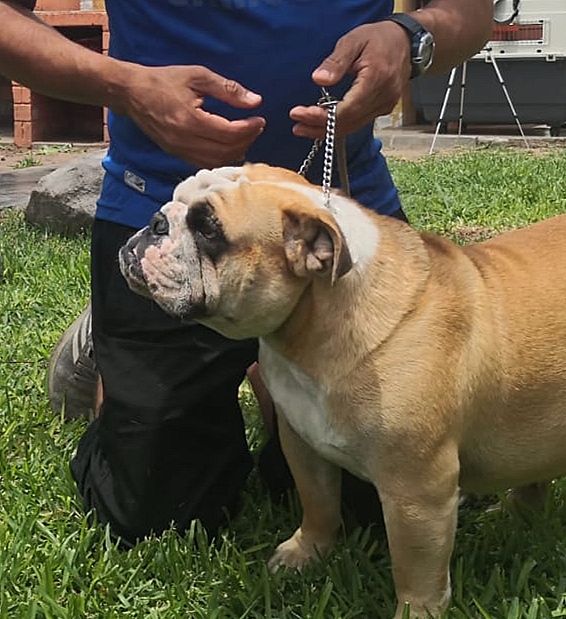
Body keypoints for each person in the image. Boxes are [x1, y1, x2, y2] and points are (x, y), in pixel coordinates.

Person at [0, 0, 493, 547]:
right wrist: (124, 86)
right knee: (156, 516)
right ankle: (111, 347)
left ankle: (270, 352)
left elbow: (467, 12)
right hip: (168, 214)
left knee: (384, 503)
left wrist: (409, 37)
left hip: (335, 209)